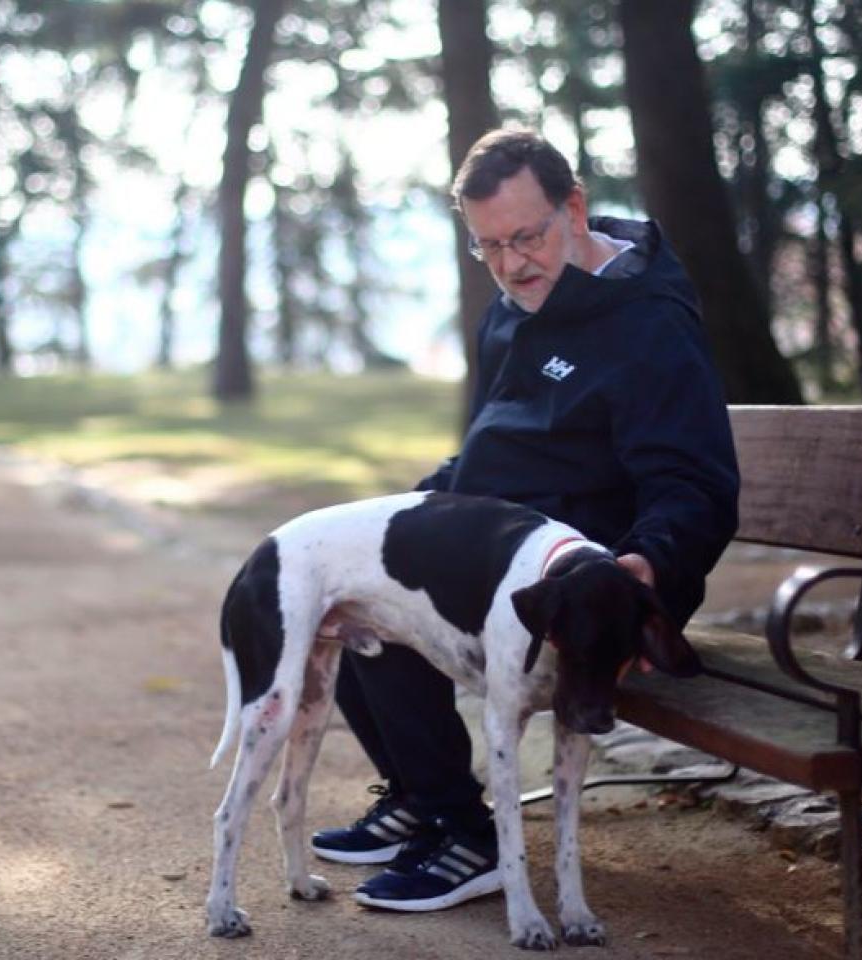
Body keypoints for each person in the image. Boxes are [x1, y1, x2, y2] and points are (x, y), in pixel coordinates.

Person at [310, 128, 741, 913]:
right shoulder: (509, 313)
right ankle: (418, 796)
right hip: (497, 546)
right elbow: (486, 449)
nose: (511, 265)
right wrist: (406, 506)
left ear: (573, 208)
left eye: (527, 236)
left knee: (396, 599)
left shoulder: (649, 326)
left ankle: (465, 834)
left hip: (597, 578)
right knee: (345, 570)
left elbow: (696, 486)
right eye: (489, 247)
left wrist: (647, 565)